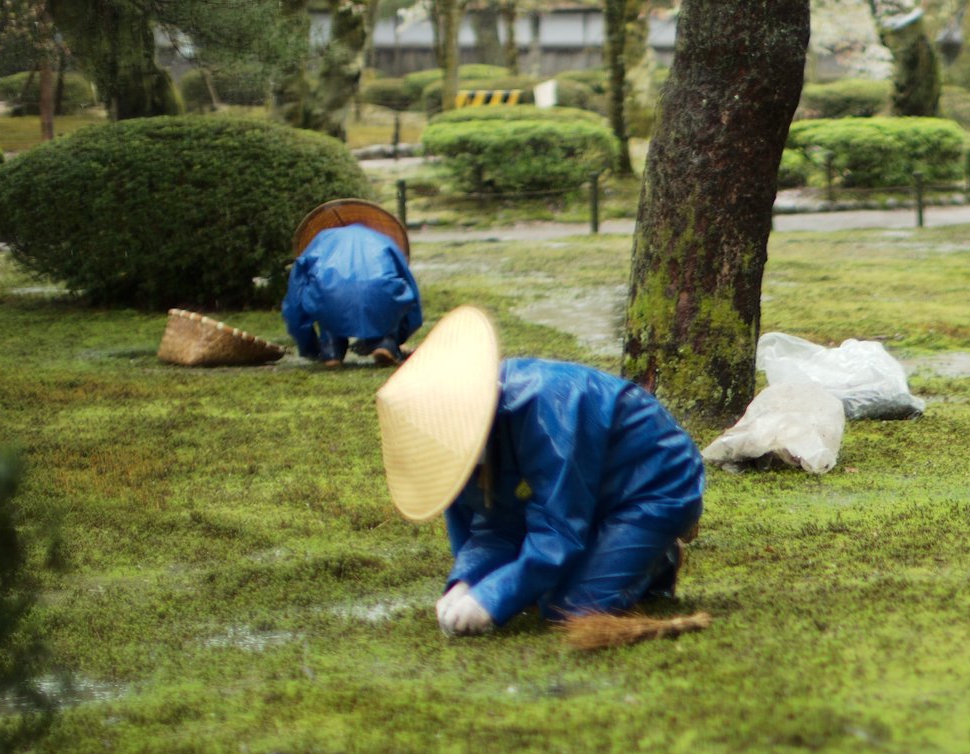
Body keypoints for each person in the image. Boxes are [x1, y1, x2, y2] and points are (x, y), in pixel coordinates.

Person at [374, 306, 706, 635]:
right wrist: (466, 582)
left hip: (653, 486)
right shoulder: (457, 439)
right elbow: (493, 526)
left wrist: (491, 598)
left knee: (569, 608)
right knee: (534, 591)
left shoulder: (552, 412)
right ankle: (609, 548)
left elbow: (560, 526)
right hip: (585, 492)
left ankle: (657, 558)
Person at [281, 199, 423, 368]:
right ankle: (385, 343)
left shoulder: (320, 240)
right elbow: (411, 294)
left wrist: (309, 347)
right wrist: (401, 336)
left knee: (325, 302)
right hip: (382, 297)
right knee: (388, 301)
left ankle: (330, 352)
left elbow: (295, 303)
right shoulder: (384, 240)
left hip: (329, 299)